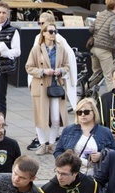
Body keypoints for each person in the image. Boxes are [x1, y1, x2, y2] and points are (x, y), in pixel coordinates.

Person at [26, 12, 79, 151]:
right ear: (44, 33)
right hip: (41, 85)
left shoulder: (61, 47)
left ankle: (51, 143)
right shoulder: (37, 47)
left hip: (56, 86)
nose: (53, 34)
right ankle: (43, 143)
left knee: (56, 118)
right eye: (50, 31)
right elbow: (29, 67)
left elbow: (68, 64)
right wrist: (43, 72)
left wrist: (61, 71)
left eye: (54, 31)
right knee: (41, 117)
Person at [53, 98, 115, 176]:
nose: (83, 115)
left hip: (97, 174)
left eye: (86, 112)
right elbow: (57, 151)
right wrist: (66, 157)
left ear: (94, 113)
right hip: (72, 174)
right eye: (79, 112)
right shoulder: (68, 130)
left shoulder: (105, 132)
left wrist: (101, 155)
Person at [89, 0, 115, 93]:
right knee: (110, 77)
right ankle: (113, 100)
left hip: (94, 48)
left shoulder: (101, 14)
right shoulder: (114, 18)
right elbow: (112, 33)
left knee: (96, 75)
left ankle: (84, 91)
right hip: (104, 50)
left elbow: (91, 28)